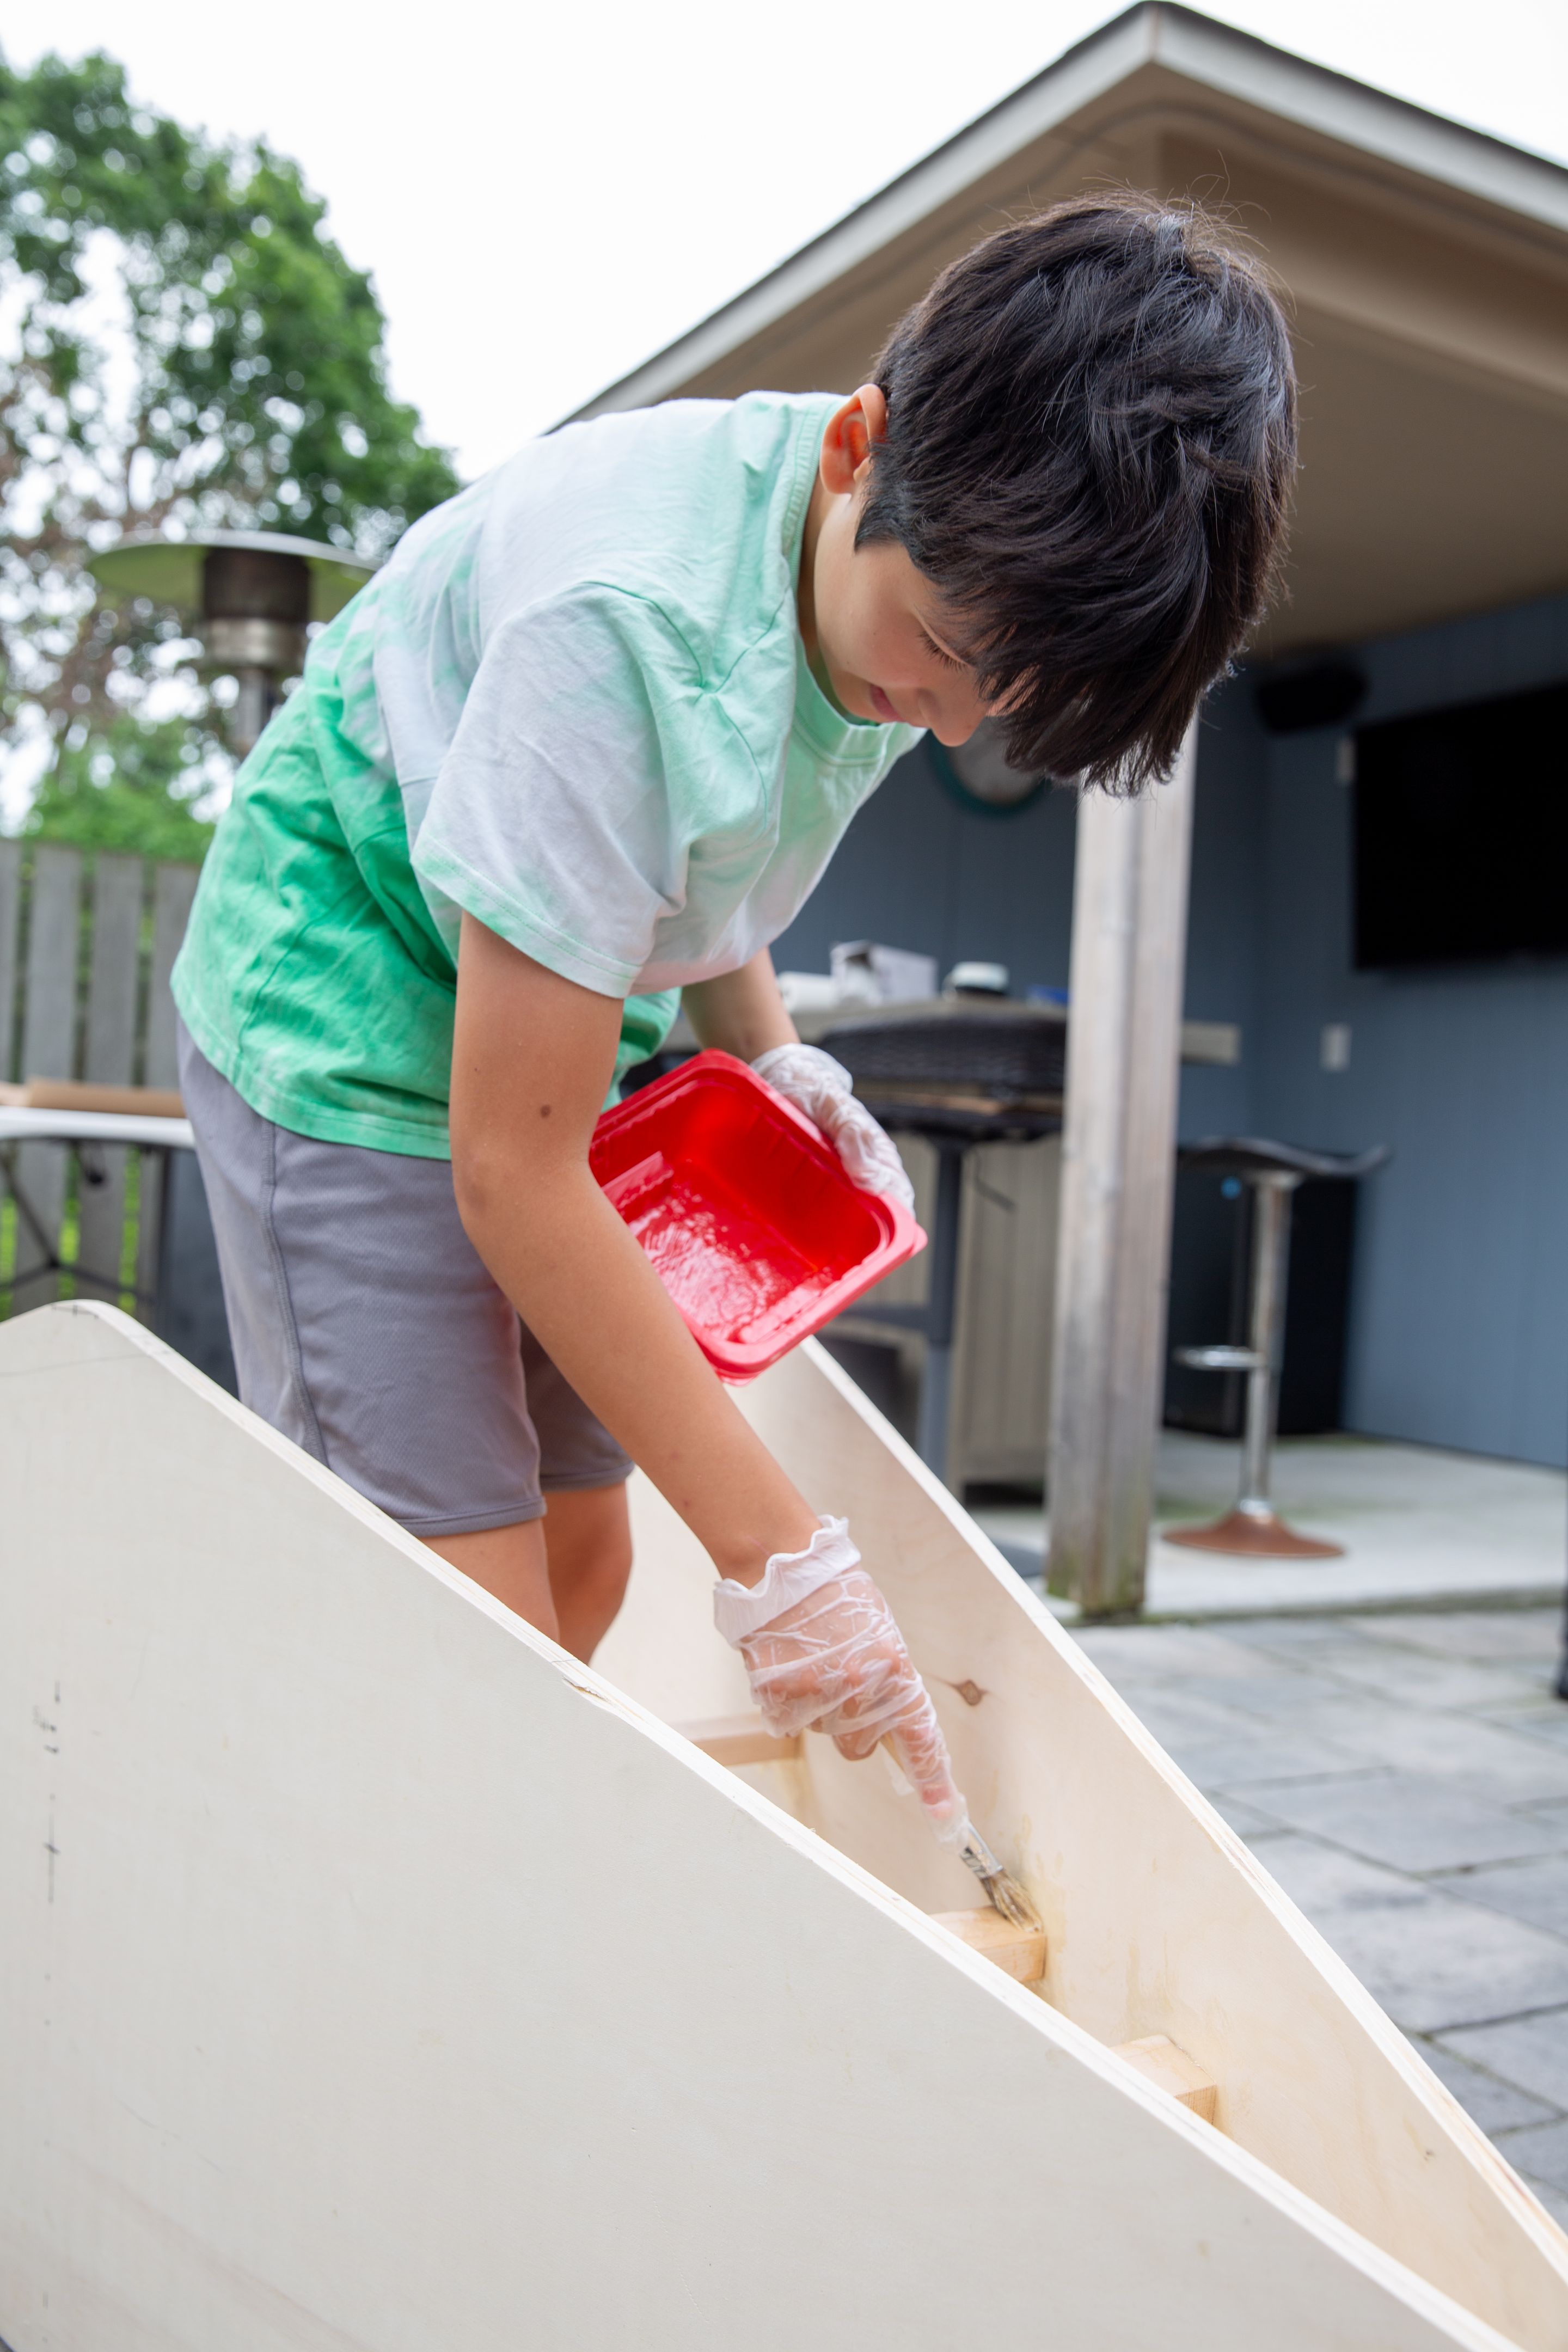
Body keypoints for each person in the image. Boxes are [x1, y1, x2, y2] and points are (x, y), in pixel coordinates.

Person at [173, 194, 1297, 1836]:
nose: (952, 711)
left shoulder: (938, 570)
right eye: (945, 656)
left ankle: (482, 1874)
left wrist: (765, 1048)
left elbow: (700, 841)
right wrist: (786, 1558)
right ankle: (343, 1912)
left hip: (552, 1018)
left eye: (1009, 698)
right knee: (463, 1624)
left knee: (585, 1552)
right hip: (351, 1007)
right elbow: (509, 1170)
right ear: (862, 445)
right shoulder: (621, 622)